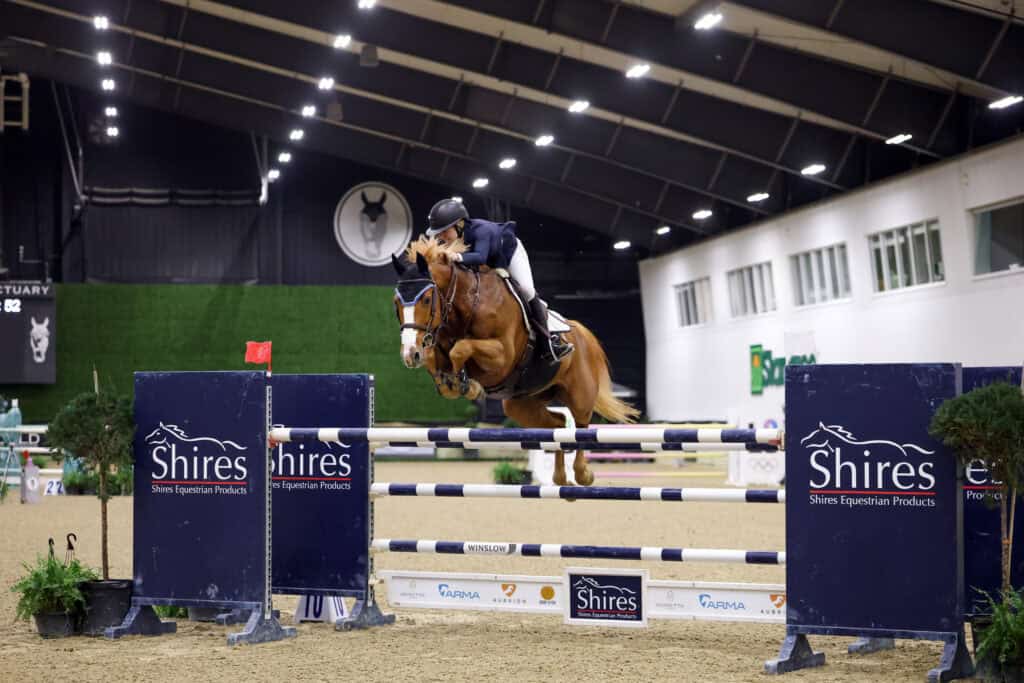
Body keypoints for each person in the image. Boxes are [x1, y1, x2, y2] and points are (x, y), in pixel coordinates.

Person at [425, 198, 573, 363]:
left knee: (526, 289)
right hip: (487, 264)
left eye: (445, 231)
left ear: (459, 224)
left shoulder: (482, 230)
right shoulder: (453, 239)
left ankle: (549, 343)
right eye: (439, 234)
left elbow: (480, 257)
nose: (442, 237)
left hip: (508, 255)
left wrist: (456, 256)